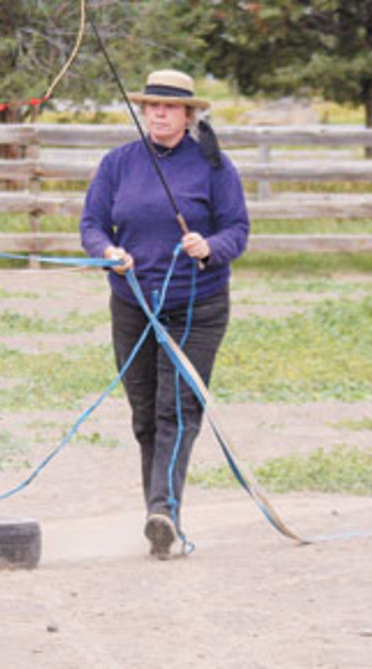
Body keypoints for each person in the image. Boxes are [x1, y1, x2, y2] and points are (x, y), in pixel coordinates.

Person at [79, 69, 250, 559]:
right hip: (132, 303)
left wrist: (208, 245)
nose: (158, 113)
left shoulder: (215, 167)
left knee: (176, 411)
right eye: (151, 105)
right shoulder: (118, 164)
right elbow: (92, 223)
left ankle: (164, 514)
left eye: (170, 107)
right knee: (145, 416)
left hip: (196, 306)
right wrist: (107, 249)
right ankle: (161, 511)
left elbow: (237, 229)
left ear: (188, 114)